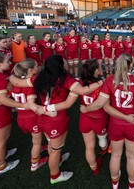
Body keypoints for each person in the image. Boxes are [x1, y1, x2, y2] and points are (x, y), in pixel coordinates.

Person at [81, 54, 134, 189]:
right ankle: (132, 184)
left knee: (116, 155)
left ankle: (115, 183)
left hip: (116, 124)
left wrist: (85, 109)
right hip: (133, 124)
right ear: (131, 65)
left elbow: (100, 104)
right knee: (131, 157)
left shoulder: (109, 81)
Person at [32, 54, 103, 184]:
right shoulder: (65, 79)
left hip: (43, 118)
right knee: (55, 150)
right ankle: (55, 176)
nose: (67, 64)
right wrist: (101, 82)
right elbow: (82, 91)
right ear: (60, 66)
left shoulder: (40, 76)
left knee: (51, 145)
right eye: (64, 62)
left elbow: (16, 81)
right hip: (55, 119)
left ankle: (57, 160)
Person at [9, 59, 50, 172]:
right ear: (30, 70)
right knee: (35, 142)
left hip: (21, 117)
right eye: (37, 66)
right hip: (32, 117)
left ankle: (41, 149)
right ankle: (34, 164)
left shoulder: (14, 83)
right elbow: (32, 103)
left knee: (36, 139)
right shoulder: (31, 84)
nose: (39, 67)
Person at [78, 59, 108, 175]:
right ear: (95, 71)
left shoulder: (80, 84)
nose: (101, 69)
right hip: (99, 118)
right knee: (102, 139)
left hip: (85, 118)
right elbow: (102, 103)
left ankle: (94, 167)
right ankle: (105, 149)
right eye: (99, 67)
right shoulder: (102, 84)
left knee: (89, 147)